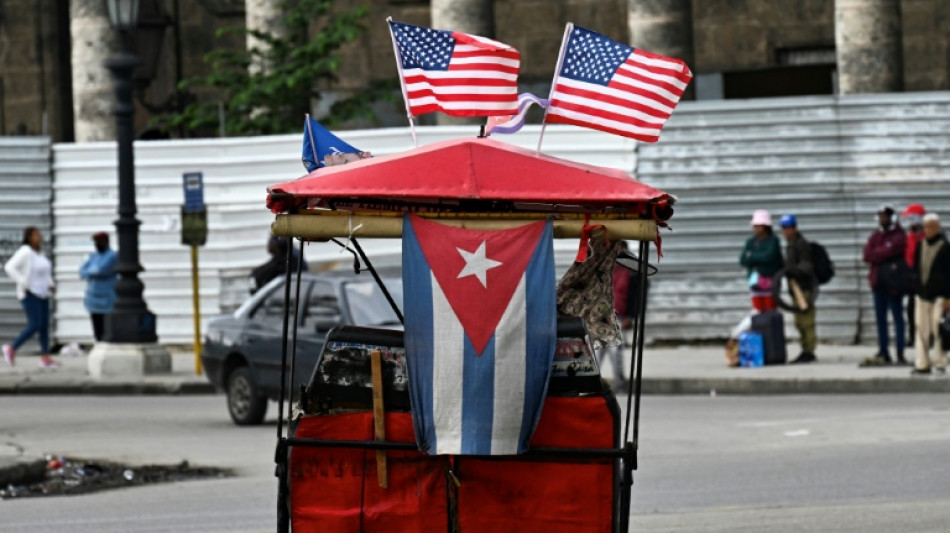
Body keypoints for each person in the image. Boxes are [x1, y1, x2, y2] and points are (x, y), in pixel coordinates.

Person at [2, 227, 58, 368]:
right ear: (28, 237)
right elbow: (9, 267)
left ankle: (45, 358)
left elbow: (45, 272)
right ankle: (12, 348)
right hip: (30, 293)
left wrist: (50, 284)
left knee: (44, 327)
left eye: (39, 234)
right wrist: (22, 281)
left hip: (43, 293)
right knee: (35, 324)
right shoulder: (25, 252)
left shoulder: (40, 253)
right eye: (35, 235)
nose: (39, 237)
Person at [861, 205, 908, 367]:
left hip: (893, 284)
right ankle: (883, 351)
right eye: (880, 216)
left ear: (892, 218)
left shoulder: (899, 236)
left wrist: (879, 253)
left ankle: (900, 352)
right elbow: (867, 255)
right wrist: (882, 252)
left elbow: (892, 250)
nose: (882, 219)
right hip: (878, 284)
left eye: (884, 216)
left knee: (897, 318)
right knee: (880, 319)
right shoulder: (876, 236)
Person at [909, 214, 950, 375]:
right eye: (925, 226)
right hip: (922, 295)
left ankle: (940, 362)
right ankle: (922, 363)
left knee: (938, 330)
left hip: (940, 297)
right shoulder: (920, 245)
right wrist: (916, 287)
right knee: (921, 330)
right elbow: (916, 269)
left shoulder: (945, 247)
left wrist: (948, 298)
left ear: (937, 227)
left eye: (931, 226)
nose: (927, 230)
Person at [779, 214, 817, 364]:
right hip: (795, 289)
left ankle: (809, 351)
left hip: (804, 288)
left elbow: (807, 266)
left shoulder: (801, 244)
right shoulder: (790, 245)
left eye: (788, 228)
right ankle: (805, 348)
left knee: (807, 321)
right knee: (799, 322)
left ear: (795, 228)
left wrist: (794, 271)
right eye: (784, 228)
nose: (786, 231)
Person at [739, 209, 784, 312]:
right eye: (755, 226)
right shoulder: (751, 242)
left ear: (766, 226)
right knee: (758, 312)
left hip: (771, 283)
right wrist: (759, 257)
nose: (756, 228)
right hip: (755, 284)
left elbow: (769, 257)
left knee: (770, 311)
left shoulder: (773, 241)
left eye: (759, 226)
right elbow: (743, 260)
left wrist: (752, 256)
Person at [79, 231, 118, 342]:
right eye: (95, 241)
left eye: (99, 241)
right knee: (97, 330)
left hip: (107, 300)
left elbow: (101, 270)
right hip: (93, 300)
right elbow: (82, 272)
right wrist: (92, 271)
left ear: (106, 241)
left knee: (107, 330)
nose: (97, 244)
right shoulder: (94, 256)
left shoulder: (112, 256)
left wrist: (90, 271)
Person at [901, 203, 926, 347]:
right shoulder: (910, 236)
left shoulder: (927, 236)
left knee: (926, 311)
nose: (909, 222)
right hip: (911, 279)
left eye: (912, 219)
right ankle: (913, 336)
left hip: (925, 279)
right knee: (911, 310)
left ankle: (927, 337)